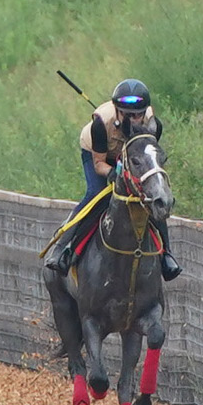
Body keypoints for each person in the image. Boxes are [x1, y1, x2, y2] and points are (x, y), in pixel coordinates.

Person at [71, 79, 180, 281]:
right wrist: (115, 173)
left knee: (152, 198)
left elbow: (148, 157)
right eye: (127, 115)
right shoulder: (99, 125)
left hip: (133, 156)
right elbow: (99, 164)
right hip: (101, 154)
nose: (133, 120)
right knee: (97, 195)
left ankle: (167, 256)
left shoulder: (153, 124)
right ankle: (66, 247)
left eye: (138, 115)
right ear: (117, 111)